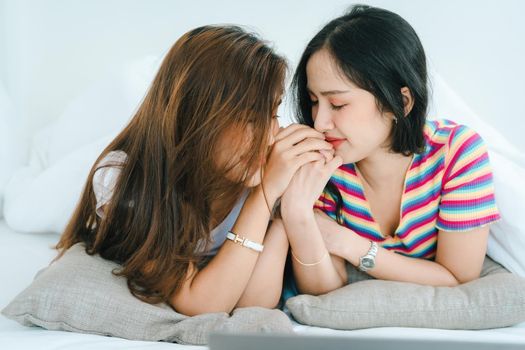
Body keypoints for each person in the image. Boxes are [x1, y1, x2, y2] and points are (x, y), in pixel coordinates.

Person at [55, 25, 336, 315]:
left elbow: (256, 304)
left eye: (273, 113)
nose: (268, 136)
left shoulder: (256, 166)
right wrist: (263, 196)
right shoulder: (124, 180)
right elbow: (202, 305)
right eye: (251, 118)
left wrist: (281, 208)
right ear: (201, 119)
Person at [280, 5, 501, 296]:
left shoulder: (456, 153)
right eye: (313, 101)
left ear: (401, 102)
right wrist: (297, 215)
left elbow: (459, 277)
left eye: (337, 104)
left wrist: (349, 244)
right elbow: (323, 291)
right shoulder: (322, 161)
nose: (320, 122)